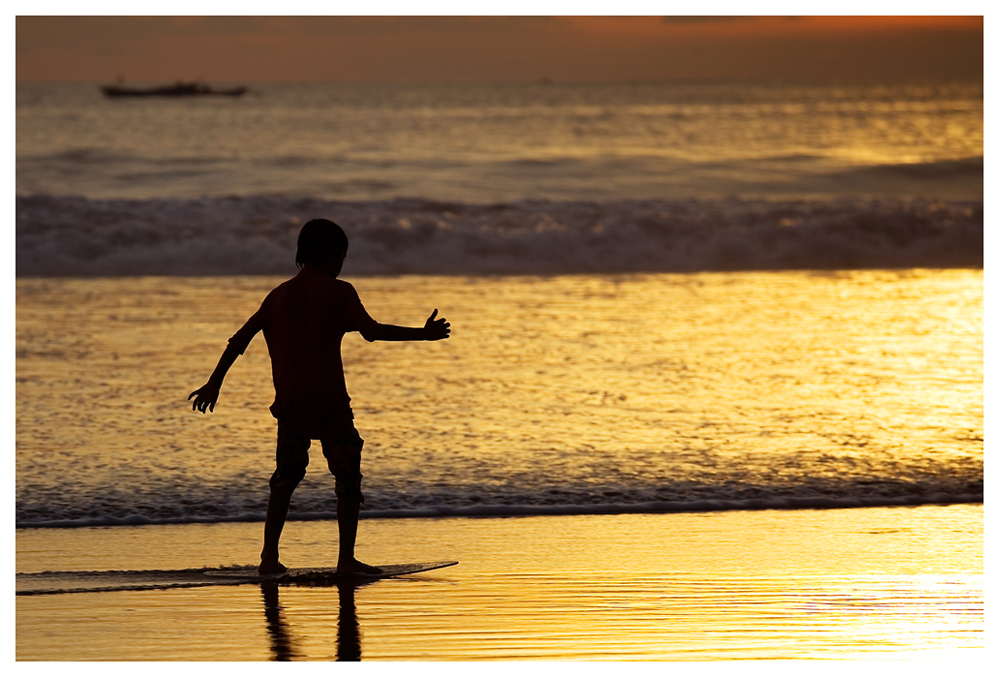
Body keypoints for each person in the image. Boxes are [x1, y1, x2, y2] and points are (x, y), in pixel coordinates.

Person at [188, 218, 450, 577]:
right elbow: (372, 332)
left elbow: (238, 342)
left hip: (291, 406)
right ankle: (346, 561)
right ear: (331, 255)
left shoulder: (277, 296)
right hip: (329, 405)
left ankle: (268, 559)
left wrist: (213, 383)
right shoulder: (339, 291)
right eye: (342, 256)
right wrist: (422, 335)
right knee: (347, 477)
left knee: (285, 478)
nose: (343, 264)